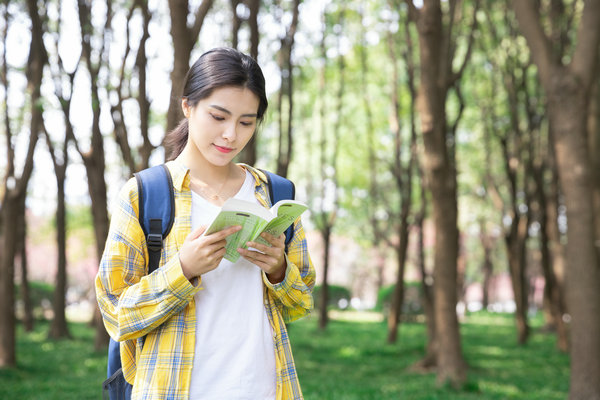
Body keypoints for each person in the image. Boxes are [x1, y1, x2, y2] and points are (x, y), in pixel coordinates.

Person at [96, 47, 315, 400]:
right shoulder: (145, 194)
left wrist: (278, 270)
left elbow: (300, 303)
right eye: (218, 116)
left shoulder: (273, 194)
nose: (231, 134)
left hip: (262, 388)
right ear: (188, 106)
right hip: (173, 389)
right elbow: (117, 315)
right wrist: (182, 270)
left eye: (247, 122)